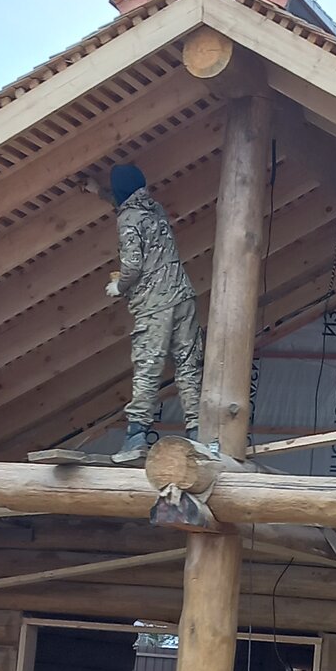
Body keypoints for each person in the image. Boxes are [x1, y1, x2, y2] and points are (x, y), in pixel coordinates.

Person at [105, 163, 204, 463]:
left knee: (148, 366)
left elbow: (133, 264)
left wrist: (119, 287)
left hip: (155, 302)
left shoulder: (128, 219)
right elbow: (127, 201)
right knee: (188, 365)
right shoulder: (155, 209)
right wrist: (98, 191)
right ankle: (199, 434)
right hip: (183, 295)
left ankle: (137, 436)